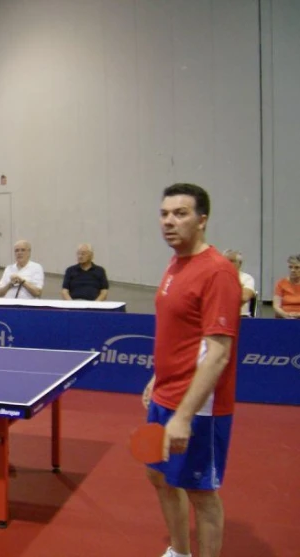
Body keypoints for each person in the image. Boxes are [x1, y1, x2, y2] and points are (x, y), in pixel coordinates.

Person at [142, 183, 241, 557]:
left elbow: (218, 353)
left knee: (202, 492)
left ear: (202, 220)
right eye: (164, 213)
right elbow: (180, 334)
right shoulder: (175, 262)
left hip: (197, 407)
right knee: (157, 474)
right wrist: (157, 377)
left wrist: (183, 417)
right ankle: (179, 551)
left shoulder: (218, 272)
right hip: (165, 395)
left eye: (180, 214)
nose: (169, 222)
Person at [222, 249, 256, 317]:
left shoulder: (246, 278)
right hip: (219, 316)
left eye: (231, 261)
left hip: (241, 317)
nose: (227, 263)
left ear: (240, 263)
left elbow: (244, 297)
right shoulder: (215, 277)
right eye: (224, 260)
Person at [272, 254, 300, 319]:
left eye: (297, 267)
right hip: (284, 317)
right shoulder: (281, 283)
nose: (293, 270)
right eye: (290, 267)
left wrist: (298, 315)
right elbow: (276, 306)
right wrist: (286, 315)